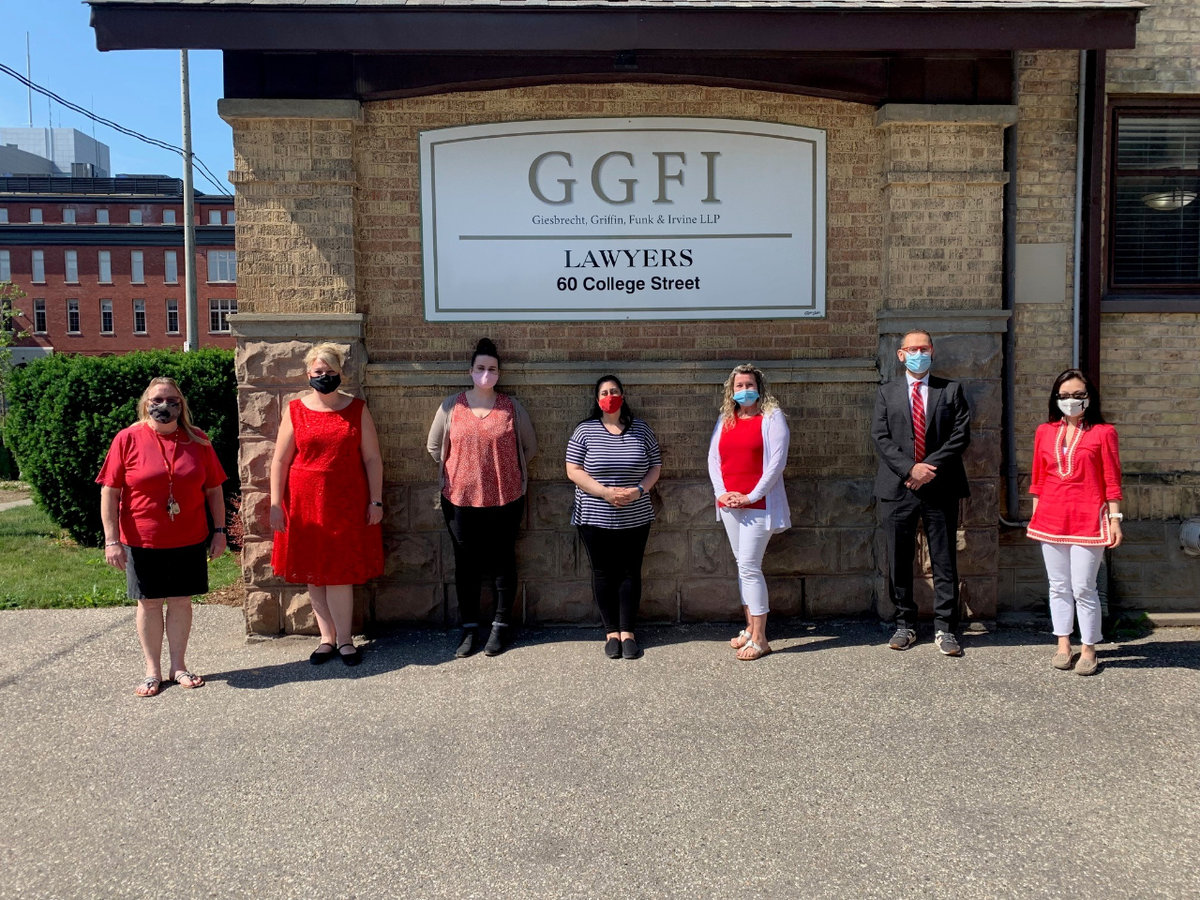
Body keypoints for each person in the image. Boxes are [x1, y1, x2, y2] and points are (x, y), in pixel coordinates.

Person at [98, 376, 228, 697]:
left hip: (189, 538)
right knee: (150, 603)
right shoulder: (128, 439)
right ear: (146, 404)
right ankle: (152, 671)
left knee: (182, 601)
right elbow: (110, 492)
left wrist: (220, 532)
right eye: (157, 400)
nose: (164, 405)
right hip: (143, 540)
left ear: (181, 405)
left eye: (171, 400)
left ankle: (178, 666)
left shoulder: (198, 440)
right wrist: (111, 540)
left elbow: (214, 490)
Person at [270, 343, 384, 667]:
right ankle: (326, 639)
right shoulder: (295, 410)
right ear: (309, 374)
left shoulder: (357, 408)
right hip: (304, 501)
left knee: (339, 572)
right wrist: (276, 503)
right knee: (315, 572)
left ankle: (345, 640)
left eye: (331, 372)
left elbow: (373, 459)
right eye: (319, 372)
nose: (324, 377)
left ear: (340, 374)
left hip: (346, 500)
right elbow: (279, 460)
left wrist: (376, 500)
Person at [427, 338, 538, 658]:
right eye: (480, 368)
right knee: (467, 566)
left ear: (499, 373)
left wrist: (500, 471)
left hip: (505, 499)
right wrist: (465, 470)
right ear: (470, 371)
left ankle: (501, 626)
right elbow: (435, 447)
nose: (485, 374)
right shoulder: (451, 406)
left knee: (503, 562)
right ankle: (469, 628)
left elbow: (530, 449)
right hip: (460, 500)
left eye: (491, 369)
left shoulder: (511, 407)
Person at [872, 329, 971, 656]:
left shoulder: (950, 390)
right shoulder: (887, 392)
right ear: (901, 355)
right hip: (897, 488)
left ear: (932, 351)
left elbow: (960, 436)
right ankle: (905, 624)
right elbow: (881, 437)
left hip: (940, 486)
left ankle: (945, 627)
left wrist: (927, 468)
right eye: (911, 349)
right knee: (899, 560)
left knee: (944, 559)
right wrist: (909, 469)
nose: (918, 353)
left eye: (923, 348)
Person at [1027, 369, 1122, 676]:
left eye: (1078, 395)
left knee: (1083, 587)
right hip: (1051, 519)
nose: (1071, 401)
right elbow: (1038, 479)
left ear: (1089, 398)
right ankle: (1063, 644)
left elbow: (1111, 479)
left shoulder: (1103, 432)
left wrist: (1116, 519)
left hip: (1088, 519)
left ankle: (1089, 648)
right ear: (1056, 399)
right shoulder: (1044, 431)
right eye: (1065, 396)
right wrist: (1036, 514)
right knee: (1058, 586)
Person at [566, 375, 662, 660]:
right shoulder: (584, 431)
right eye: (605, 392)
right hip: (594, 516)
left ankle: (628, 631)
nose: (610, 396)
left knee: (631, 572)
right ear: (597, 400)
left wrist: (638, 490)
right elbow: (573, 470)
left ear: (623, 395)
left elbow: (655, 466)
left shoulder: (641, 429)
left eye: (615, 391)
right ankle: (611, 633)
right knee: (603, 572)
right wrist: (606, 493)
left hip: (636, 515)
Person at [707, 364, 791, 661]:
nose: (744, 391)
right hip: (730, 506)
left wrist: (751, 496)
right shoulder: (726, 419)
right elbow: (714, 459)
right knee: (742, 566)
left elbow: (776, 464)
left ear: (760, 388)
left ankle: (760, 638)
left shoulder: (772, 418)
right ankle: (749, 627)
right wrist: (721, 494)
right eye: (739, 386)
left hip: (758, 505)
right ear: (732, 391)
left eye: (749, 385)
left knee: (750, 568)